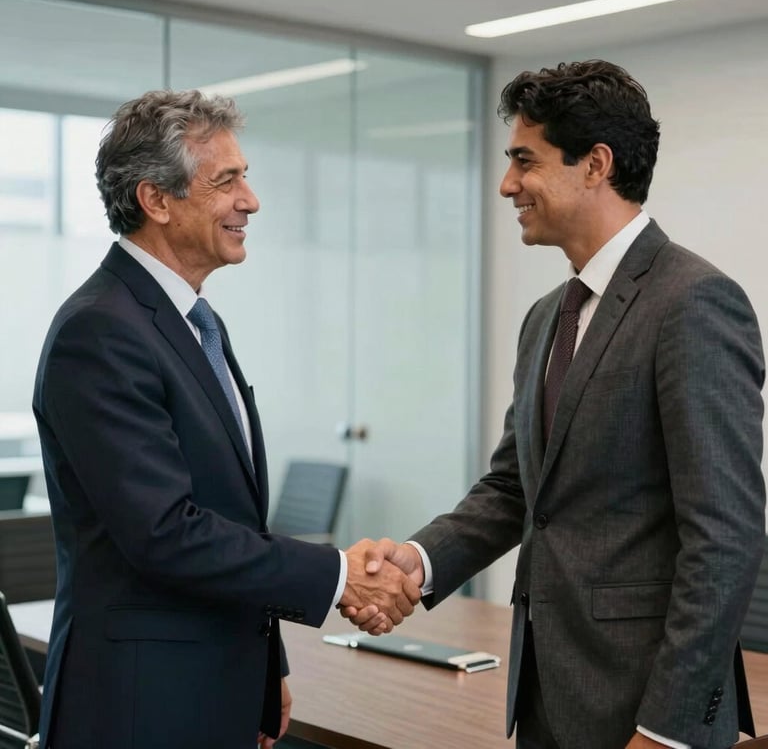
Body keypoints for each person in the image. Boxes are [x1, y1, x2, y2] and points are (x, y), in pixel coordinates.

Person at [344, 60, 766, 749]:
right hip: (546, 696)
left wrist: (667, 731)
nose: (508, 185)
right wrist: (416, 563)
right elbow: (516, 489)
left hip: (646, 712)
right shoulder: (547, 317)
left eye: (525, 162)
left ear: (595, 164)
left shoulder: (692, 302)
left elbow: (725, 535)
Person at [32, 89, 419, 749]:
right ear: (157, 199)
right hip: (139, 705)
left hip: (212, 684)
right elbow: (164, 532)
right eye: (227, 181)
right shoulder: (100, 331)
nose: (251, 200)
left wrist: (270, 667)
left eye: (247, 176)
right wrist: (337, 575)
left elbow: (229, 513)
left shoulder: (190, 323)